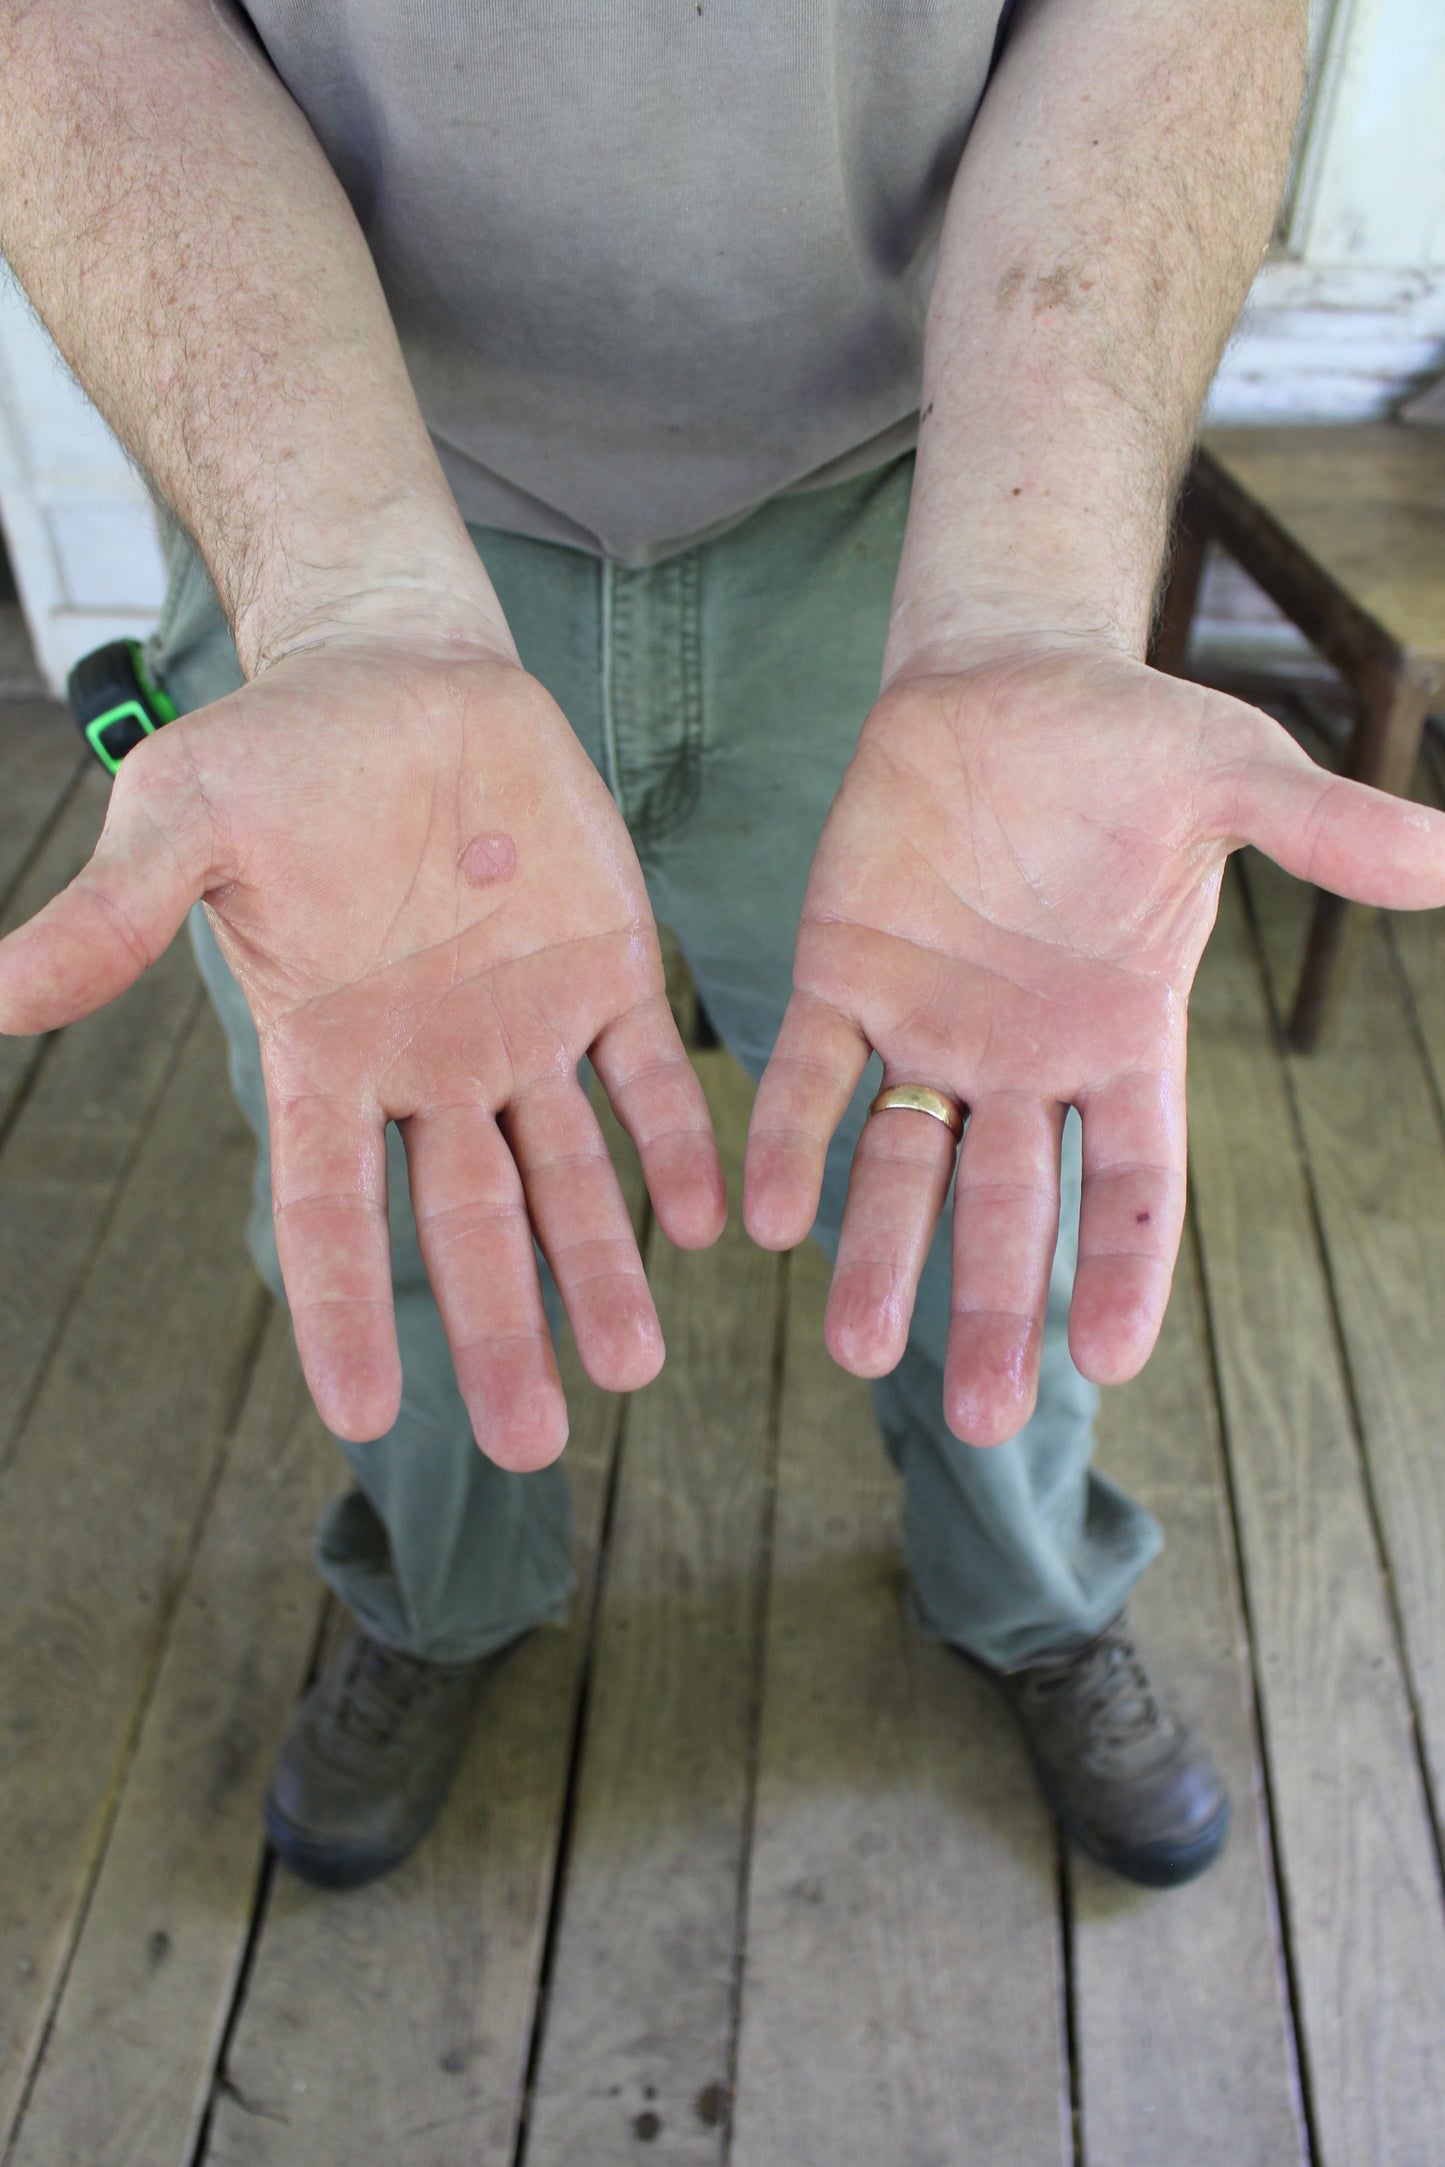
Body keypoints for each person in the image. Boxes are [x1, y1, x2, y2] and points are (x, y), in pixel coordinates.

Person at [2, 0, 1441, 1896]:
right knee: (403, 1175)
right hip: (346, 507)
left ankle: (1031, 1598)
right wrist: (350, 595)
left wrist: (1026, 607)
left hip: (929, 500)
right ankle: (445, 1601)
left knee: (997, 1152)